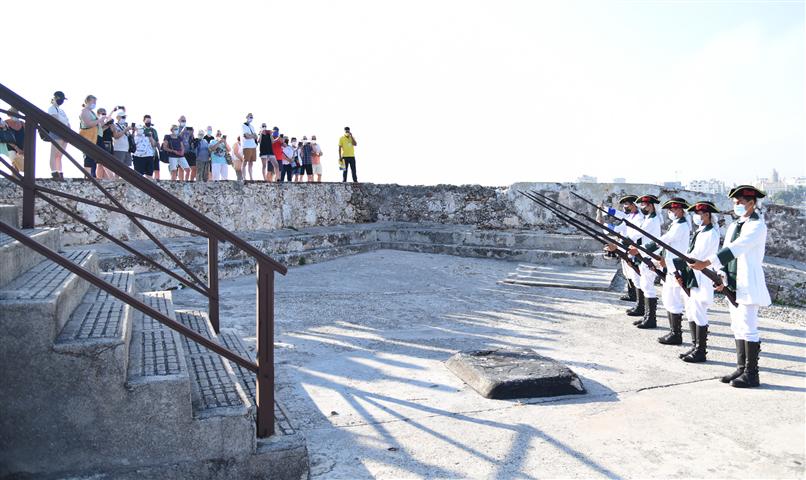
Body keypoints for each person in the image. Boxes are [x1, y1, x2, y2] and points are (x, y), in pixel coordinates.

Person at [691, 186, 770, 388]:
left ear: (751, 203)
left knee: (749, 327)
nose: (737, 205)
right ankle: (741, 368)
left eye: (740, 202)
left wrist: (706, 263)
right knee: (737, 326)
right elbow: (726, 250)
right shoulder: (735, 225)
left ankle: (752, 374)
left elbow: (737, 248)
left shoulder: (757, 225)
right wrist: (721, 276)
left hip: (748, 282)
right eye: (735, 202)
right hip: (733, 282)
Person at [631, 198, 691, 344]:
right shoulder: (676, 224)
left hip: (676, 267)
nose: (671, 212)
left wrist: (639, 250)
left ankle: (676, 334)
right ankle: (673, 332)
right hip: (670, 265)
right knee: (669, 299)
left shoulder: (681, 226)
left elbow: (662, 241)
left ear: (681, 210)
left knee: (673, 300)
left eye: (674, 209)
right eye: (670, 209)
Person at [676, 201, 721, 363]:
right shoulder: (700, 231)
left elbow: (697, 255)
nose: (696, 217)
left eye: (699, 214)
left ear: (707, 215)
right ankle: (694, 346)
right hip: (692, 273)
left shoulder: (711, 233)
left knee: (699, 311)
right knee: (690, 310)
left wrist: (679, 261)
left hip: (702, 276)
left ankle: (701, 351)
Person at [604, 195, 644, 306]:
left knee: (634, 273)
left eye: (626, 204)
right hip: (625, 245)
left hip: (632, 247)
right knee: (628, 272)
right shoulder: (630, 216)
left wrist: (604, 224)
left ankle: (637, 297)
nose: (625, 206)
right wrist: (604, 212)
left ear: (633, 205)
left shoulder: (639, 218)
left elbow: (633, 235)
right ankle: (632, 294)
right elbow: (618, 225)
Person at [78, 95, 107, 178]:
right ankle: (87, 176)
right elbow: (88, 124)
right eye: (93, 101)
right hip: (90, 136)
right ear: (87, 101)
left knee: (103, 157)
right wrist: (100, 120)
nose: (94, 103)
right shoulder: (84, 111)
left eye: (95, 102)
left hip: (97, 136)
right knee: (89, 156)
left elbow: (98, 124)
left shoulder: (92, 112)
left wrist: (104, 120)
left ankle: (104, 176)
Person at [47, 91, 70, 180]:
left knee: (60, 155)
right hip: (56, 132)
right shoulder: (51, 108)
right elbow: (55, 119)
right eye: (61, 99)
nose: (62, 101)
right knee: (54, 153)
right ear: (56, 98)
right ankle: (54, 172)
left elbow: (67, 122)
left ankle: (60, 172)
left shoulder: (62, 111)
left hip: (65, 133)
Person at [111, 109, 134, 176]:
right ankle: (116, 179)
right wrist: (125, 130)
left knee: (127, 167)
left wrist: (133, 131)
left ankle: (126, 179)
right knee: (118, 167)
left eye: (125, 117)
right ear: (118, 117)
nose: (124, 119)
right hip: (119, 149)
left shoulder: (125, 126)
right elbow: (116, 136)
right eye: (123, 117)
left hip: (127, 149)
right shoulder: (115, 125)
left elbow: (130, 137)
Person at [3, 108, 25, 173]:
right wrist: (16, 148)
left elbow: (27, 137)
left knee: (21, 167)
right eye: (12, 113)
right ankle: (15, 178)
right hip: (11, 147)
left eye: (15, 113)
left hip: (22, 148)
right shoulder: (5, 123)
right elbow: (6, 138)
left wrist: (24, 149)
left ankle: (16, 178)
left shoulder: (22, 123)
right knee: (15, 166)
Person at [97, 108, 114, 179]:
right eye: (102, 113)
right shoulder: (97, 122)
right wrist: (105, 126)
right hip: (101, 142)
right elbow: (98, 131)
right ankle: (100, 179)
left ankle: (107, 179)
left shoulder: (106, 121)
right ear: (98, 114)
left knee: (108, 162)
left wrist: (110, 124)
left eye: (105, 113)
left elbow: (113, 131)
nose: (104, 115)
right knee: (100, 163)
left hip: (109, 143)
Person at [241, 113, 258, 180]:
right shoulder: (243, 125)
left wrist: (251, 136)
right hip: (246, 146)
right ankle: (244, 177)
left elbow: (256, 136)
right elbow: (246, 136)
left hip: (253, 146)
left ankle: (251, 177)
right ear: (247, 117)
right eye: (250, 117)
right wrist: (252, 136)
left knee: (251, 163)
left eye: (252, 117)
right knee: (245, 162)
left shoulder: (252, 127)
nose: (251, 118)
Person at [143, 115, 160, 180]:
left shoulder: (154, 130)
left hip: (154, 152)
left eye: (149, 121)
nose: (148, 123)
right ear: (144, 121)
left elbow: (157, 141)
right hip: (146, 153)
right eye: (147, 121)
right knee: (149, 170)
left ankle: (157, 182)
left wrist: (160, 150)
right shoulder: (142, 129)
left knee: (157, 169)